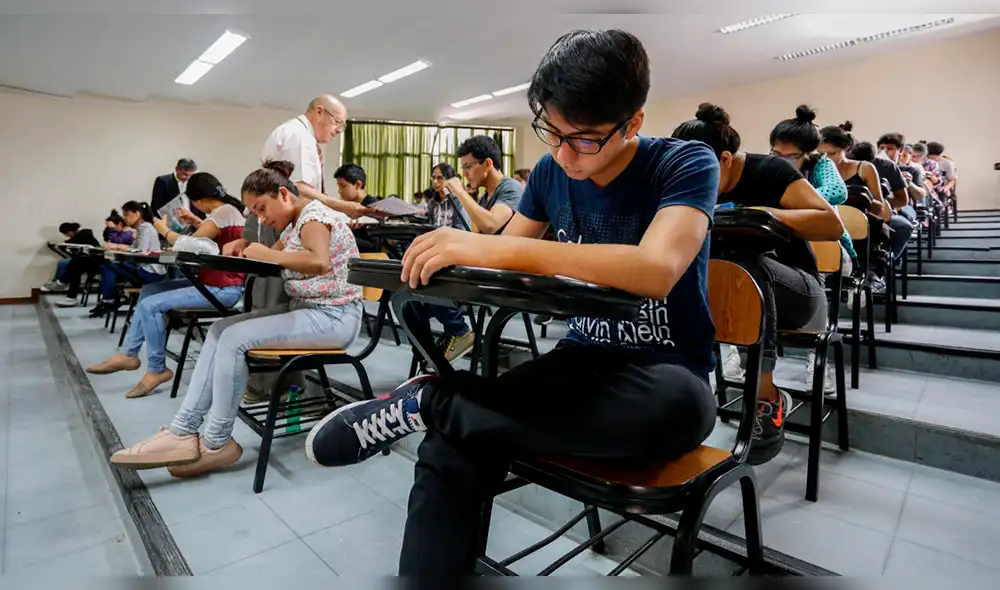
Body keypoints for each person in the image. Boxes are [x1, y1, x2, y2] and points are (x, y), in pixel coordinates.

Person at [305, 29, 727, 576]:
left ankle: (433, 400)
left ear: (633, 123)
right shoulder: (552, 173)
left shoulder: (685, 163)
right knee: (453, 441)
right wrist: (452, 255)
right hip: (578, 363)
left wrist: (494, 246)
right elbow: (506, 261)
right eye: (551, 132)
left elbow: (656, 269)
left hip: (667, 371)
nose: (563, 154)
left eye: (585, 139)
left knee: (683, 411)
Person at [108, 160, 363, 477]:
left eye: (261, 208)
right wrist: (245, 245)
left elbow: (319, 261)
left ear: (283, 193)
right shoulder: (293, 224)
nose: (261, 218)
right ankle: (183, 430)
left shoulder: (314, 216)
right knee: (219, 329)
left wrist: (266, 253)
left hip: (335, 317)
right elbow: (274, 255)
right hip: (310, 310)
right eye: (255, 213)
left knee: (234, 338)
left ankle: (217, 442)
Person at [673, 102, 843, 459]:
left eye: (698, 173)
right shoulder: (696, 184)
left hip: (799, 294)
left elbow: (832, 225)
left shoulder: (770, 171)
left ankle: (767, 397)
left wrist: (763, 214)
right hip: (733, 298)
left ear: (724, 160)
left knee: (747, 267)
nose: (694, 184)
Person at [85, 173, 247, 399]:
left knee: (150, 305)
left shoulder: (224, 211)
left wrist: (161, 227)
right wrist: (196, 221)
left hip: (222, 289)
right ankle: (129, 353)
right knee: (149, 291)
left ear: (198, 200)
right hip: (213, 283)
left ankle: (156, 369)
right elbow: (212, 239)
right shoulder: (227, 211)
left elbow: (188, 245)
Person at [769, 105, 853, 394]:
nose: (782, 162)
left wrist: (790, 200)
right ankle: (744, 356)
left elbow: (837, 192)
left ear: (808, 154)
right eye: (776, 155)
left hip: (829, 248)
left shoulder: (821, 165)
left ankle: (817, 360)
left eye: (791, 157)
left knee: (815, 275)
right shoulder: (770, 168)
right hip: (785, 249)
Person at [258, 95, 370, 220]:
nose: (339, 130)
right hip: (276, 219)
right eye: (337, 122)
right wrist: (340, 206)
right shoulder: (300, 136)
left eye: (342, 126)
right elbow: (298, 188)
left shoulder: (299, 133)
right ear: (319, 112)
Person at [414, 163, 475, 361]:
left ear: (450, 179)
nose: (435, 181)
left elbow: (462, 231)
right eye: (433, 177)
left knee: (429, 281)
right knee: (411, 298)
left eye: (440, 177)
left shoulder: (458, 201)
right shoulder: (433, 203)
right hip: (434, 252)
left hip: (454, 255)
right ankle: (425, 351)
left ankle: (458, 329)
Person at [58, 202, 168, 312]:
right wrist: (117, 248)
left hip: (148, 272)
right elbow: (134, 249)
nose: (124, 218)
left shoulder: (145, 228)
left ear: (136, 213)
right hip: (142, 268)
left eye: (126, 214)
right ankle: (108, 301)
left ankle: (108, 300)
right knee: (100, 263)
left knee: (101, 262)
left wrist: (116, 246)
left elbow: (140, 252)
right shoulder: (142, 228)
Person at [442, 135, 524, 235]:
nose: (464, 174)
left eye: (468, 167)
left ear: (487, 164)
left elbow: (491, 225)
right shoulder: (485, 198)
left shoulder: (511, 187)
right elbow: (475, 233)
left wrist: (460, 191)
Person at [853, 141, 913, 272]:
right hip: (849, 213)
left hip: (880, 213)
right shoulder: (836, 166)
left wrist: (882, 202)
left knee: (903, 226)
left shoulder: (887, 166)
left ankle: (883, 265)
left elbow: (902, 200)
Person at [42, 222, 102, 294]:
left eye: (66, 234)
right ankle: (60, 282)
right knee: (69, 264)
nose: (67, 236)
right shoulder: (80, 235)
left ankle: (61, 282)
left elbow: (72, 243)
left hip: (91, 260)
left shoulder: (84, 235)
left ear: (70, 232)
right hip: (84, 259)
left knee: (65, 263)